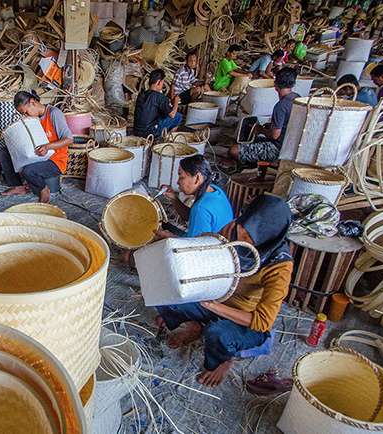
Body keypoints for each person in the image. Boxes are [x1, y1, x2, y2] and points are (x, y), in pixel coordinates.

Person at [155, 194, 294, 387]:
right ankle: (194, 328)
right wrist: (174, 241)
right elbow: (208, 251)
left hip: (245, 319)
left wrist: (213, 306)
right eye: (242, 232)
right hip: (217, 294)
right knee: (164, 289)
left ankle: (223, 359)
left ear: (268, 238)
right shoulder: (234, 228)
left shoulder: (280, 265)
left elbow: (263, 322)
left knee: (217, 333)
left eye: (250, 239)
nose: (242, 240)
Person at [123, 155, 233, 267]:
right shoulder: (215, 191)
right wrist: (173, 198)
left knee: (129, 257)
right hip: (214, 247)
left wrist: (169, 237)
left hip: (207, 258)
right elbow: (191, 218)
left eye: (181, 177)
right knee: (160, 227)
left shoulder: (201, 208)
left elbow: (194, 249)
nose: (177, 182)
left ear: (197, 178)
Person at [0, 91, 73, 203]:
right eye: (23, 114)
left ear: (32, 102)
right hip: (38, 156)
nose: (26, 116)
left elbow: (69, 140)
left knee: (28, 171)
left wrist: (47, 147)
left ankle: (43, 189)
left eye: (26, 112)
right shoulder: (32, 120)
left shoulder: (53, 113)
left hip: (55, 161)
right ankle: (18, 186)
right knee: (4, 152)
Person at [227, 67, 299, 166]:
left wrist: (260, 130)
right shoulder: (297, 98)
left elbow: (274, 135)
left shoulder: (281, 106)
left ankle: (267, 162)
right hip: (293, 147)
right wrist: (270, 126)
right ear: (294, 84)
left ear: (275, 84)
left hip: (279, 149)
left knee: (233, 151)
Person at [133, 69, 182, 139]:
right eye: (162, 83)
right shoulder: (159, 96)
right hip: (150, 133)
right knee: (178, 116)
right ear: (159, 82)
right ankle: (166, 139)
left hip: (137, 131)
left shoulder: (141, 94)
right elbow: (172, 115)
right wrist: (176, 101)